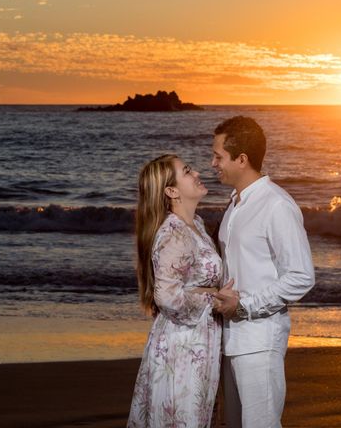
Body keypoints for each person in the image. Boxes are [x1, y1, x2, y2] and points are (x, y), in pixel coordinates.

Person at [211, 116, 315, 428]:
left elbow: (301, 275)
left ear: (241, 159)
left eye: (218, 156)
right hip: (231, 339)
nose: (213, 163)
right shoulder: (236, 204)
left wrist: (244, 305)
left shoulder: (276, 205)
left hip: (260, 339)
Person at [127, 154, 227, 428]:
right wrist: (214, 300)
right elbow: (167, 296)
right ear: (171, 191)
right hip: (182, 344)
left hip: (197, 340)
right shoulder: (173, 232)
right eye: (186, 171)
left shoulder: (197, 226)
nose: (196, 173)